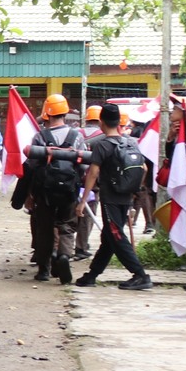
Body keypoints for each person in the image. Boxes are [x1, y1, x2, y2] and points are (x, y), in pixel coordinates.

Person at [74, 105, 152, 290]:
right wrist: (135, 190)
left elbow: (93, 173)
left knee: (116, 236)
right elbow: (144, 169)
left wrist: (83, 200)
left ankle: (140, 275)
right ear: (119, 122)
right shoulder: (131, 143)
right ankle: (91, 275)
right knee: (109, 237)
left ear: (101, 122)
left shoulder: (103, 145)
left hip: (110, 199)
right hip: (126, 197)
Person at [24, 94, 86, 285]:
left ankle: (44, 269)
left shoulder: (40, 136)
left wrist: (30, 194)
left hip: (45, 192)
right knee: (66, 226)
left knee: (45, 228)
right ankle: (64, 256)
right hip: (68, 190)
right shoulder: (77, 136)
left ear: (47, 114)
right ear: (65, 112)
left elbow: (32, 166)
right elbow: (83, 166)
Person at [75, 105, 104, 260]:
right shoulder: (103, 135)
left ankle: (65, 245)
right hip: (93, 183)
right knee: (87, 214)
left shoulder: (77, 133)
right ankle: (81, 246)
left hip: (74, 180)